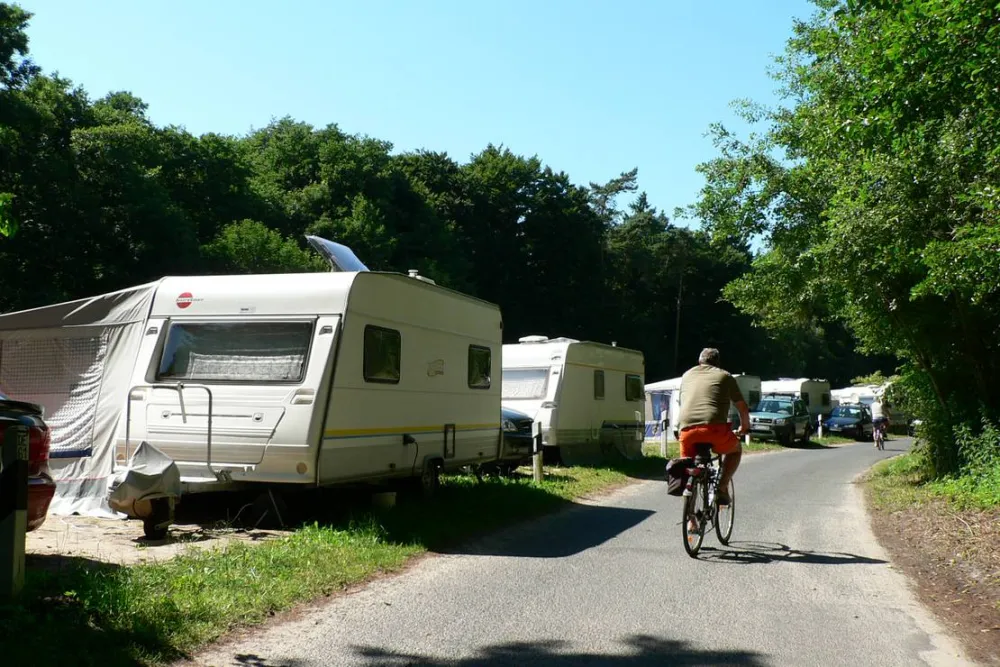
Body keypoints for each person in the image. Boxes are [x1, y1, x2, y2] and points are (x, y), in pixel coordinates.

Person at [677, 347, 751, 506]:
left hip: (686, 431)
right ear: (717, 363)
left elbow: (681, 402)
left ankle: (691, 522)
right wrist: (744, 428)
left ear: (699, 362)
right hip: (714, 430)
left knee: (688, 469)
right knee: (735, 450)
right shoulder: (725, 376)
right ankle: (721, 487)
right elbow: (742, 407)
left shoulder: (686, 375)